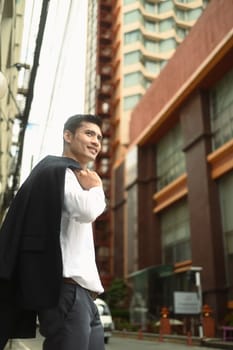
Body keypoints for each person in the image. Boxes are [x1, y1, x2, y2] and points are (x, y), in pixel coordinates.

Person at [0, 114, 106, 350]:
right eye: (89, 133)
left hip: (85, 296)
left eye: (99, 137)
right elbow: (87, 210)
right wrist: (97, 187)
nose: (96, 142)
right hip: (68, 292)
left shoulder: (73, 176)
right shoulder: (62, 172)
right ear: (67, 135)